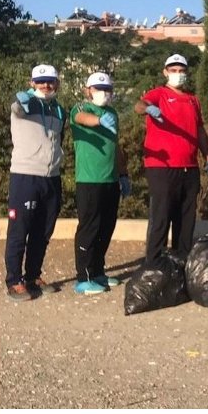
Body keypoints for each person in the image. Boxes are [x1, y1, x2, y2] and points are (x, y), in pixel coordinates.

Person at [134, 54, 208, 264]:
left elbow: (199, 131)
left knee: (186, 218)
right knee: (161, 216)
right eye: (173, 70)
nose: (177, 74)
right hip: (162, 167)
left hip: (189, 167)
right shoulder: (159, 93)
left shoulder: (193, 100)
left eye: (181, 70)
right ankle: (153, 262)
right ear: (165, 72)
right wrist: (148, 109)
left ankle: (181, 261)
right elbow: (139, 105)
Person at [5, 64, 67, 301]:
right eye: (40, 82)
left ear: (56, 83)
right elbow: (17, 108)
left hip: (52, 176)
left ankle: (33, 275)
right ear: (32, 83)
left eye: (50, 81)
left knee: (43, 231)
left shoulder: (58, 109)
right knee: (20, 230)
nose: (45, 85)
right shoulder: (25, 104)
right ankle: (14, 280)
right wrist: (23, 99)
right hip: (25, 175)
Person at [68, 72, 130, 295]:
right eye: (97, 88)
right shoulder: (81, 108)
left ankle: (97, 271)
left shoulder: (112, 112)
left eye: (107, 89)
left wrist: (123, 173)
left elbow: (115, 146)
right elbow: (80, 119)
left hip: (110, 179)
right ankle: (83, 277)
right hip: (89, 180)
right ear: (88, 90)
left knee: (106, 227)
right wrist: (98, 120)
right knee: (89, 228)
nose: (103, 93)